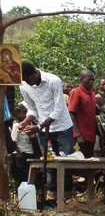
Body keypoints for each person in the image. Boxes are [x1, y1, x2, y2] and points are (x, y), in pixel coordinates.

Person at [20, 62, 75, 198]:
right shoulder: (24, 86)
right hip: (43, 130)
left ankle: (66, 196)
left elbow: (59, 108)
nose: (27, 82)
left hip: (62, 127)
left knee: (66, 161)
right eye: (24, 80)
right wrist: (26, 121)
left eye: (28, 79)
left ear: (34, 73)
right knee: (48, 162)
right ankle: (52, 196)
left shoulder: (53, 81)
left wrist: (39, 127)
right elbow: (32, 108)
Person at [68, 69, 98, 158]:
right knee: (80, 160)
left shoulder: (92, 93)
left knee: (90, 161)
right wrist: (78, 135)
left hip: (91, 136)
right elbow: (71, 113)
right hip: (81, 136)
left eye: (92, 79)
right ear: (81, 79)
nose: (91, 82)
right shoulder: (76, 92)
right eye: (88, 79)